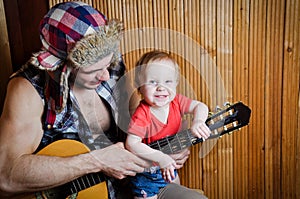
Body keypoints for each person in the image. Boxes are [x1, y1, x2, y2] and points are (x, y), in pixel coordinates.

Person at [0, 2, 203, 199]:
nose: (106, 75)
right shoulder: (28, 90)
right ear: (63, 67)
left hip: (133, 187)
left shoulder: (110, 65)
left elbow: (139, 123)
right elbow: (5, 179)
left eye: (108, 64)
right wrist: (95, 161)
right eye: (94, 70)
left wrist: (168, 146)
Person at [125, 51, 211, 199]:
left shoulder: (176, 102)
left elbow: (200, 106)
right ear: (139, 85)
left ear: (176, 83)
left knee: (176, 190)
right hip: (146, 179)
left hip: (169, 172)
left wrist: (198, 121)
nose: (161, 87)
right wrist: (161, 158)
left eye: (168, 81)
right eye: (153, 82)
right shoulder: (143, 113)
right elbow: (132, 144)